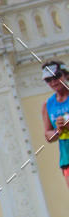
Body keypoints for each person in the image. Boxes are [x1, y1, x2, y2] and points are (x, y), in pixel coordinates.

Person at [42, 59, 69, 189]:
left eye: (56, 76)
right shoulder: (48, 105)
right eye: (48, 79)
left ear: (66, 75)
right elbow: (48, 135)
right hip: (67, 157)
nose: (53, 82)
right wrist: (58, 130)